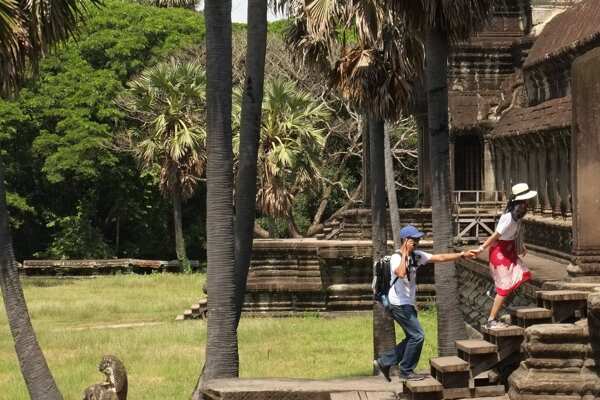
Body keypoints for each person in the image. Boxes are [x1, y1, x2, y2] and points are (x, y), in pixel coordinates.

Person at [373, 225, 477, 382]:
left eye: (418, 239)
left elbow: (439, 258)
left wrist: (462, 255)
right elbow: (401, 273)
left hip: (407, 303)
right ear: (406, 240)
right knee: (418, 336)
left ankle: (385, 361)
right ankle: (406, 371)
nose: (417, 242)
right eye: (413, 239)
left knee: (412, 337)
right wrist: (405, 254)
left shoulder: (417, 256)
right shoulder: (396, 258)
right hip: (398, 303)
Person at [475, 183, 537, 329]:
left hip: (509, 250)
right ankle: (491, 320)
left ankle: (494, 290)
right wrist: (481, 248)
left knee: (523, 273)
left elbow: (515, 234)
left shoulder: (517, 216)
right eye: (524, 202)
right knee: (505, 287)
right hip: (500, 253)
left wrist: (521, 246)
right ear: (518, 203)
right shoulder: (508, 217)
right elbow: (496, 235)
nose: (527, 205)